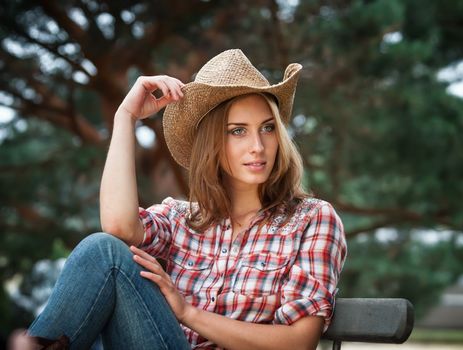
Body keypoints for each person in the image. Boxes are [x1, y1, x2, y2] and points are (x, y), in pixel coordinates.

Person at [17, 49, 347, 349]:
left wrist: (187, 312)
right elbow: (117, 228)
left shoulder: (312, 219)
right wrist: (125, 117)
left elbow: (299, 343)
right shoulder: (182, 219)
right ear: (212, 144)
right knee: (103, 249)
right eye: (238, 131)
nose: (258, 146)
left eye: (267, 128)